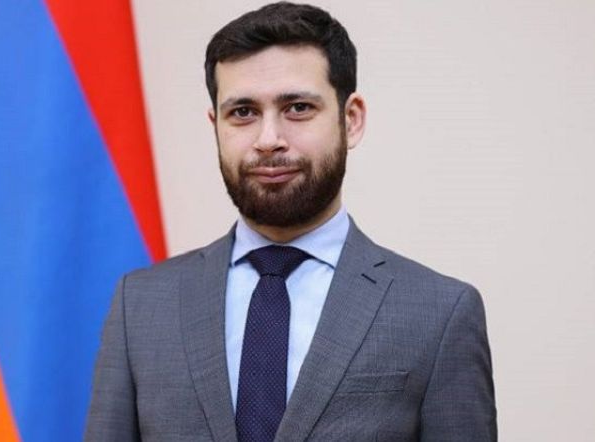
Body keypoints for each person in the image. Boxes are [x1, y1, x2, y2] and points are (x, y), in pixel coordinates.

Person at [85, 2, 497, 441]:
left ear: (351, 119)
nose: (269, 140)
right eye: (243, 112)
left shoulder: (440, 312)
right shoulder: (140, 305)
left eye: (298, 108)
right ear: (215, 125)